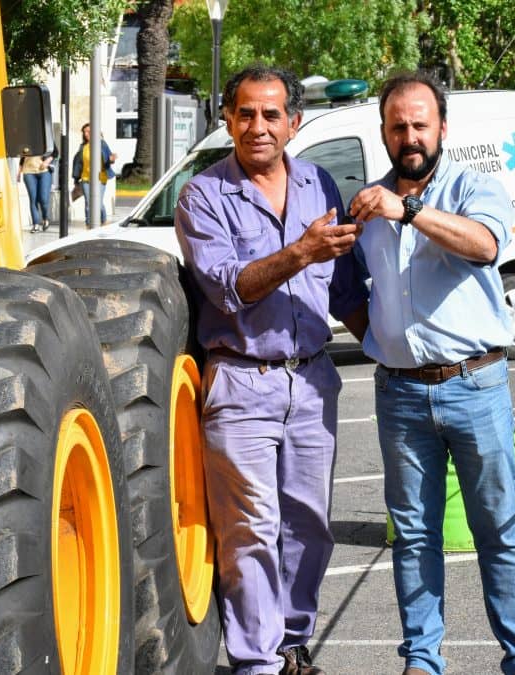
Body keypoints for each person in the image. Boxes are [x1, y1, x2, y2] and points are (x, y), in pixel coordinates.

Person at [174, 64, 368, 675]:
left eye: (271, 114)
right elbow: (228, 287)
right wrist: (301, 251)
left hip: (312, 380)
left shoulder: (318, 184)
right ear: (228, 120)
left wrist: (397, 356)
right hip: (242, 382)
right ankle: (256, 663)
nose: (258, 126)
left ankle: (291, 645)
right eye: (246, 114)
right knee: (251, 530)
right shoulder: (203, 195)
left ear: (294, 123)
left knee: (310, 525)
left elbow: (344, 290)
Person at [348, 72, 515, 675]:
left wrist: (408, 210)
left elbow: (484, 245)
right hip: (400, 395)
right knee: (413, 536)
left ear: (442, 129)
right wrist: (380, 338)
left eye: (419, 124)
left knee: (499, 531)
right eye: (397, 126)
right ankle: (422, 660)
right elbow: (347, 285)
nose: (409, 136)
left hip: (475, 386)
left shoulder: (474, 186)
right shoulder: (367, 204)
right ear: (383, 132)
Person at [72, 122, 116, 228]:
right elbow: (78, 163)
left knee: (98, 204)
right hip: (86, 179)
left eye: (88, 131)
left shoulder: (102, 144)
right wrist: (76, 179)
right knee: (88, 203)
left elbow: (109, 158)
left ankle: (103, 222)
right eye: (84, 132)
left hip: (100, 178)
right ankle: (88, 225)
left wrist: (111, 159)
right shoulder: (83, 147)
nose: (86, 134)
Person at [18, 147, 56, 232]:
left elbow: (55, 151)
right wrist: (19, 171)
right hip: (28, 171)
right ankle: (36, 224)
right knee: (33, 199)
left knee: (43, 199)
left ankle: (45, 218)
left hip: (44, 171)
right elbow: (22, 156)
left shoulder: (45, 137)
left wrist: (47, 160)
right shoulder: (25, 140)